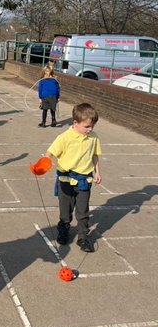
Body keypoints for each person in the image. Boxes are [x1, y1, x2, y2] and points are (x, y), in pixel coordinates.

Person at [47, 102, 101, 252]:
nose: (90, 130)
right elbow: (50, 152)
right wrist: (44, 162)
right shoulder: (64, 137)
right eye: (87, 127)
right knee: (65, 210)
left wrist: (97, 172)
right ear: (75, 123)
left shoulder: (93, 137)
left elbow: (95, 155)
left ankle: (83, 237)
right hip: (65, 179)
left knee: (83, 211)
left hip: (84, 180)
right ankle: (64, 231)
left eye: (92, 127)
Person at [38, 62, 61, 128]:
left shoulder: (42, 80)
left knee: (45, 110)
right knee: (52, 109)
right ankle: (53, 121)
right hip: (52, 96)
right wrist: (58, 96)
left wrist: (40, 98)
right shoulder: (54, 79)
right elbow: (57, 89)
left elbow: (40, 89)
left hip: (45, 96)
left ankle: (43, 122)